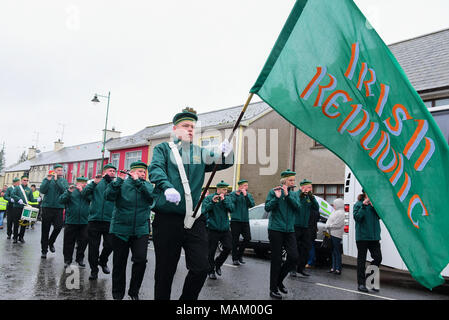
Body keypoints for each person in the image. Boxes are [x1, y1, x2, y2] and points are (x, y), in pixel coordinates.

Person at [149, 108, 234, 300]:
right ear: (175, 128)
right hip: (168, 219)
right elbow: (155, 169)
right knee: (165, 272)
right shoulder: (163, 149)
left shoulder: (199, 152)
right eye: (185, 126)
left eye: (193, 127)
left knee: (201, 267)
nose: (190, 129)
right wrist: (166, 186)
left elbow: (221, 163)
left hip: (194, 219)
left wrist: (226, 153)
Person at [105, 161, 155, 300]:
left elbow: (152, 198)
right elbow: (108, 196)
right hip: (120, 229)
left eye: (144, 172)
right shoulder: (122, 184)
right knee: (119, 263)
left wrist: (139, 182)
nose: (143, 174)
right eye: (140, 171)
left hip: (140, 229)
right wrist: (118, 181)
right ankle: (117, 294)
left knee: (140, 260)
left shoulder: (147, 186)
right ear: (132, 172)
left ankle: (134, 292)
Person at [265, 169, 300, 300]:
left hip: (289, 230)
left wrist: (287, 195)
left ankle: (279, 281)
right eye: (290, 180)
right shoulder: (273, 191)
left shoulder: (294, 194)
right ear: (284, 181)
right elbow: (267, 208)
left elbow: (297, 207)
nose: (293, 182)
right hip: (275, 229)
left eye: (293, 180)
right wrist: (277, 198)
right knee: (276, 260)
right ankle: (273, 289)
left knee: (294, 256)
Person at [81, 163, 116, 280]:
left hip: (109, 220)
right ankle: (94, 270)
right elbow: (85, 194)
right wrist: (93, 183)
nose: (113, 173)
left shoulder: (115, 184)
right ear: (105, 172)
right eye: (110, 170)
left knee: (110, 244)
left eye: (114, 171)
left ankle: (103, 260)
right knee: (93, 248)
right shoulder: (96, 182)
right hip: (95, 220)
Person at [203, 180, 234, 280]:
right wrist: (213, 201)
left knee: (229, 247)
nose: (226, 191)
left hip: (225, 229)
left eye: (226, 189)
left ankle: (218, 264)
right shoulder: (209, 198)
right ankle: (211, 271)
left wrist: (224, 200)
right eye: (224, 189)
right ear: (219, 189)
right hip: (213, 228)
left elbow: (232, 209)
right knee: (211, 251)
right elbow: (204, 210)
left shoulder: (228, 198)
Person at [353, 190, 382, 293]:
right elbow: (357, 218)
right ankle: (361, 284)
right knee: (361, 260)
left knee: (378, 258)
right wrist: (364, 206)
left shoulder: (375, 205)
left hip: (374, 237)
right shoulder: (358, 204)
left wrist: (375, 207)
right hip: (362, 237)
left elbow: (381, 216)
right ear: (365, 193)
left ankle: (370, 281)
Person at [59, 177, 90, 268]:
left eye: (85, 183)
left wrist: (82, 191)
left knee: (83, 241)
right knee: (69, 241)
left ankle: (80, 259)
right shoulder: (71, 190)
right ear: (78, 183)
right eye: (83, 183)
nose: (85, 185)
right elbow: (61, 200)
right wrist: (68, 192)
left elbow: (92, 199)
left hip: (84, 221)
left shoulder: (87, 192)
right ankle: (67, 260)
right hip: (71, 220)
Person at [39, 164, 69, 258]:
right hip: (47, 207)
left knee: (58, 227)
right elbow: (42, 190)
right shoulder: (47, 179)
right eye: (58, 170)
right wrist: (48, 180)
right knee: (45, 230)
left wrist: (56, 181)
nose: (60, 172)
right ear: (54, 171)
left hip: (59, 207)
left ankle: (51, 242)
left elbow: (65, 190)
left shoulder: (63, 181)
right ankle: (44, 251)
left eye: (61, 170)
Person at [292, 179, 319, 277]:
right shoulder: (296, 195)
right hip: (296, 226)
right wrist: (301, 195)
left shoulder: (309, 197)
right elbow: (296, 206)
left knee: (306, 248)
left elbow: (316, 207)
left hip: (305, 226)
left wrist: (312, 197)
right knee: (295, 249)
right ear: (302, 187)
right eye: (309, 187)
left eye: (311, 187)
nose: (310, 189)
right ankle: (292, 268)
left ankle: (301, 268)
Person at [229, 179, 255, 266]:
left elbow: (251, 204)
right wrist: (237, 195)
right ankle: (235, 258)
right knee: (235, 240)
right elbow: (231, 205)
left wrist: (245, 196)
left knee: (247, 238)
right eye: (245, 186)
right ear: (240, 186)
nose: (246, 187)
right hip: (235, 220)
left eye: (247, 186)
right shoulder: (233, 194)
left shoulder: (248, 195)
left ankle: (239, 255)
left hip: (245, 220)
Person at [11, 176, 36, 243]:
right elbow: (12, 194)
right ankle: (15, 237)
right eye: (24, 180)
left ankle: (21, 237)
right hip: (17, 207)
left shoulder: (29, 189)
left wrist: (37, 200)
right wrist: (18, 199)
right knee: (16, 223)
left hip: (25, 208)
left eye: (27, 180)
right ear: (21, 181)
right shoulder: (17, 188)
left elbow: (31, 199)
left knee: (24, 223)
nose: (26, 181)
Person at [325, 198, 345, 275]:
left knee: (337, 251)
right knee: (333, 252)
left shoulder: (341, 213)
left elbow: (338, 224)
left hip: (337, 234)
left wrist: (328, 226)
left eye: (334, 204)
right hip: (331, 233)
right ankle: (333, 267)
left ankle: (338, 268)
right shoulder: (334, 211)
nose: (333, 205)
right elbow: (329, 220)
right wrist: (328, 226)